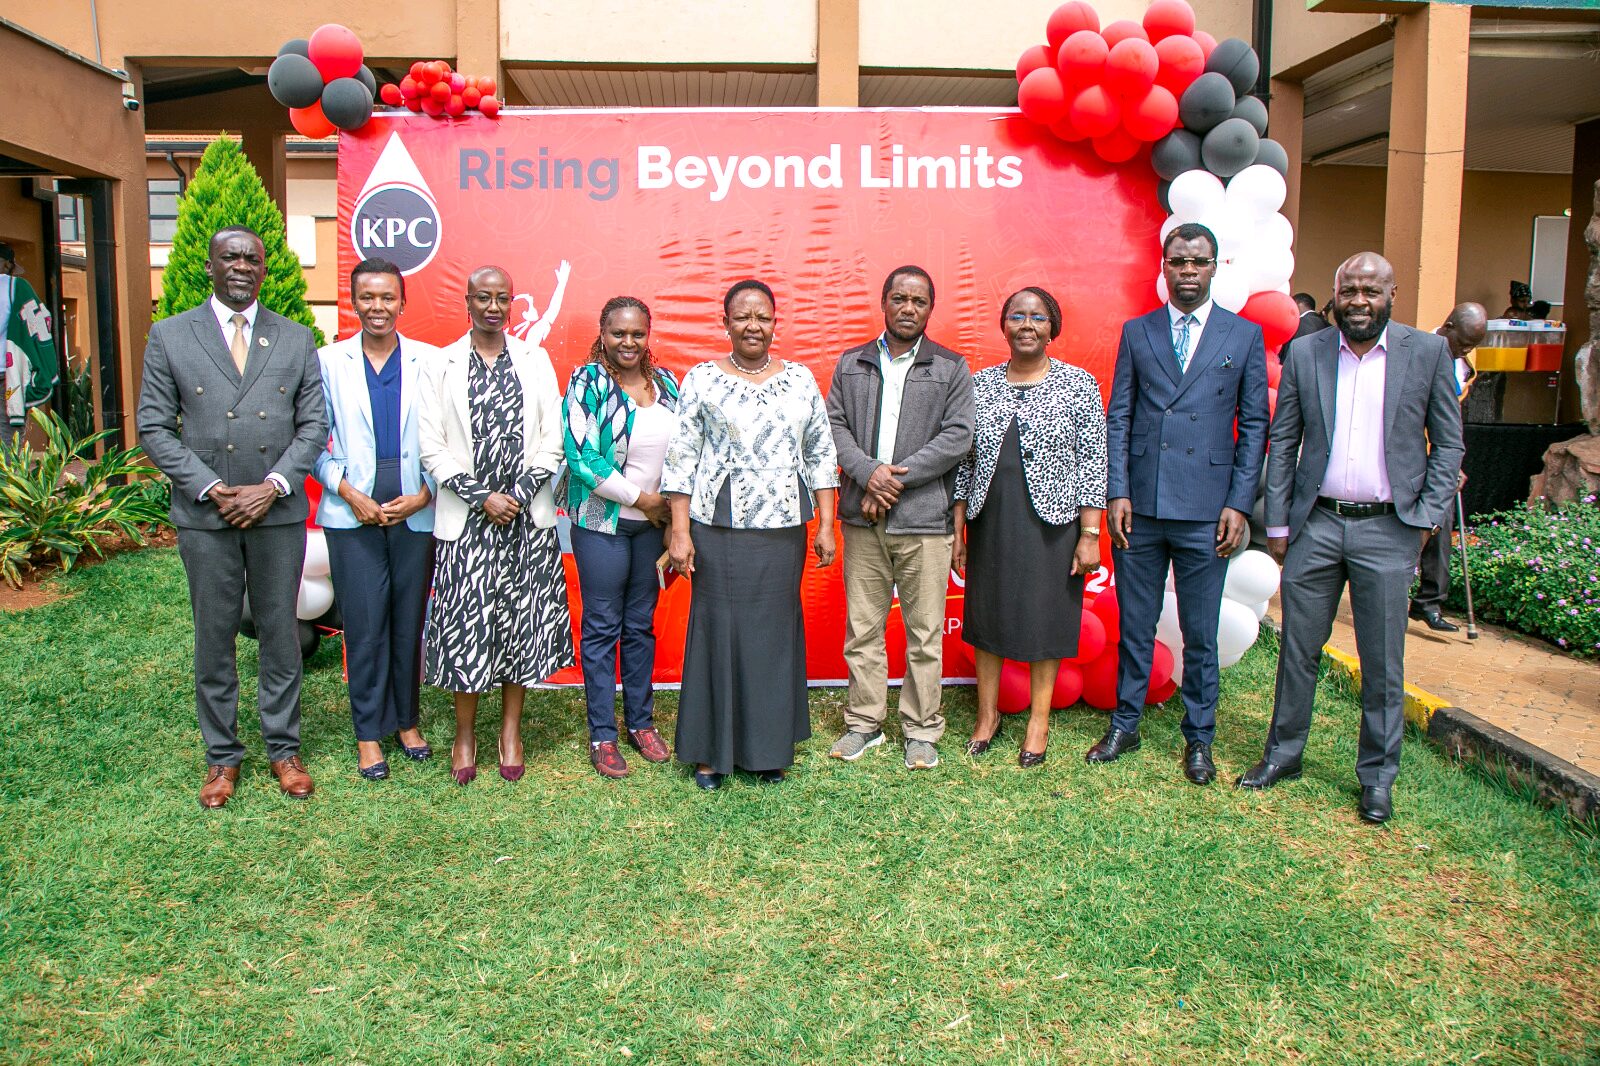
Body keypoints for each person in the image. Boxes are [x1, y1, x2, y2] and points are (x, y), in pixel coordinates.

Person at [1243, 252, 1464, 825]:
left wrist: (1425, 519)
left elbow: (1449, 445)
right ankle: (1283, 754)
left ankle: (1377, 778)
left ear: (1391, 295)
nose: (1359, 301)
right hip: (1316, 525)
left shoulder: (1428, 353)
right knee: (1298, 650)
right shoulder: (1308, 352)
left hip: (1390, 528)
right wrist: (1279, 524)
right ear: (1336, 296)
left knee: (1383, 660)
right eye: (1349, 291)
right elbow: (1284, 439)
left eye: (1371, 291)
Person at [134, 225, 327, 808]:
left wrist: (272, 485)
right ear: (210, 266)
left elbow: (313, 425)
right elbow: (153, 427)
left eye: (252, 258)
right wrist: (213, 488)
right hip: (207, 515)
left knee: (280, 633)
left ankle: (284, 749)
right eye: (230, 257)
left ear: (264, 269)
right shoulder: (171, 334)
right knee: (214, 637)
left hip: (276, 510)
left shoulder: (294, 337)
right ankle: (222, 757)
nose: (242, 266)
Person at [1098, 223, 1270, 784]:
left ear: (1215, 267)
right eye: (1178, 261)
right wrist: (1117, 490)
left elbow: (1255, 425)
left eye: (1198, 261)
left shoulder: (1242, 335)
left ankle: (1199, 739)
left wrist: (1239, 503)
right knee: (1136, 625)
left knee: (1200, 633)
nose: (1188, 270)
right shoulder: (1138, 331)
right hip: (1141, 507)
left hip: (1207, 509)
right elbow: (1119, 416)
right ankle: (1125, 724)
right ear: (1165, 267)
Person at [662, 280, 839, 789]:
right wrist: (680, 532)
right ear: (725, 323)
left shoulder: (800, 380)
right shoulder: (702, 379)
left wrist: (827, 524)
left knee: (772, 635)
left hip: (782, 531)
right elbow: (681, 458)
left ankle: (766, 749)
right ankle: (712, 752)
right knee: (718, 630)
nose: (753, 326)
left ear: (775, 322)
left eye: (762, 316)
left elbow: (821, 453)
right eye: (742, 316)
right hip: (718, 529)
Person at [417, 265, 574, 785]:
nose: (492, 306)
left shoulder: (534, 359)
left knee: (518, 626)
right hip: (468, 522)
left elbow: (553, 438)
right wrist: (482, 497)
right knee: (468, 626)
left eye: (501, 298)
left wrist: (519, 494)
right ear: (467, 301)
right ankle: (465, 735)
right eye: (482, 297)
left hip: (525, 521)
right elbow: (432, 447)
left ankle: (510, 732)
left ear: (511, 303)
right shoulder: (440, 364)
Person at [825, 266, 975, 771]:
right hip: (862, 521)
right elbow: (834, 426)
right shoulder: (852, 364)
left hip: (925, 523)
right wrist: (869, 473)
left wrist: (892, 482)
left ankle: (921, 729)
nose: (909, 308)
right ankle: (863, 723)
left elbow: (958, 436)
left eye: (919, 301)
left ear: (931, 308)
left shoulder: (950, 366)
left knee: (925, 633)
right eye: (900, 298)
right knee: (862, 629)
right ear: (884, 302)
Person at [952, 286, 1106, 768]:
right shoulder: (979, 384)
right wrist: (957, 527)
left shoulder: (1078, 384)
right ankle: (988, 715)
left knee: (1047, 617)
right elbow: (963, 461)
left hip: (1054, 525)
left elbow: (1093, 462)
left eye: (1038, 317)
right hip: (990, 519)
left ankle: (1038, 722)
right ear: (1003, 326)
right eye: (1017, 316)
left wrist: (1090, 534)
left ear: (1052, 328)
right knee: (987, 615)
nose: (1026, 325)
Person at [313, 258, 439, 780]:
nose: (378, 307)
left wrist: (426, 495)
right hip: (353, 516)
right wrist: (348, 493)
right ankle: (368, 733)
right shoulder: (327, 361)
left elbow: (449, 437)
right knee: (365, 627)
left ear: (403, 302)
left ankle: (406, 722)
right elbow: (310, 441)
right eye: (367, 297)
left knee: (408, 624)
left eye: (388, 297)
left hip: (415, 515)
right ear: (353, 301)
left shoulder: (430, 361)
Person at [560, 296, 678, 779]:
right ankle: (602, 735)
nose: (628, 342)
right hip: (601, 522)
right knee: (602, 626)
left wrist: (672, 514)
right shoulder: (587, 381)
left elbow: (686, 450)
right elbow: (581, 456)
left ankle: (641, 723)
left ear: (648, 335)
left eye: (637, 333)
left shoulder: (668, 383)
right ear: (603, 334)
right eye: (618, 333)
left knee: (640, 626)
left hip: (653, 528)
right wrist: (641, 499)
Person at [1410, 301, 1486, 634]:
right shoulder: (1416, 351)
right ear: (1449, 326)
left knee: (1442, 525)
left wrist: (1453, 463)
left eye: (1472, 346)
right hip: (1412, 458)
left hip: (1440, 460)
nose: (1465, 350)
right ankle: (1391, 594)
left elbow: (1449, 422)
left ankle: (1428, 602)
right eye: (1464, 343)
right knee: (1411, 532)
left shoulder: (1462, 364)